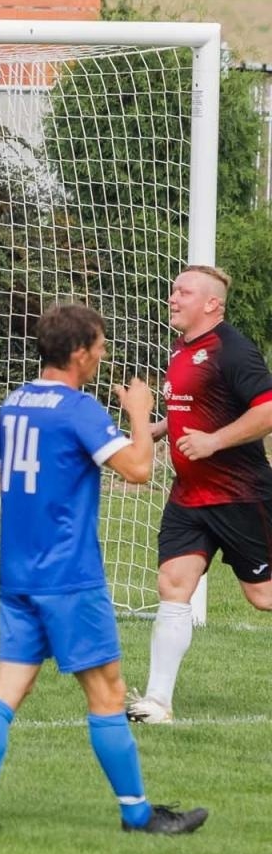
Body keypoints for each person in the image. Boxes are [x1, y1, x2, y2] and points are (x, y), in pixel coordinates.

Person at [0, 303, 206, 835]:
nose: (101, 354)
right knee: (108, 694)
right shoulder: (80, 409)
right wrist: (139, 411)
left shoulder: (15, 404)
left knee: (8, 690)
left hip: (19, 574)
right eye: (97, 346)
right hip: (69, 576)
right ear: (77, 352)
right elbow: (138, 470)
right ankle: (138, 814)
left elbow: (12, 468)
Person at [126, 265, 272, 724]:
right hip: (190, 496)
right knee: (173, 585)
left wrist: (212, 442)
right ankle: (157, 702)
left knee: (263, 596)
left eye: (183, 292)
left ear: (212, 303)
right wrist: (156, 428)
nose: (172, 298)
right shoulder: (182, 350)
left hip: (240, 495)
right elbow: (196, 407)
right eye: (173, 291)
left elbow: (267, 409)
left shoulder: (233, 350)